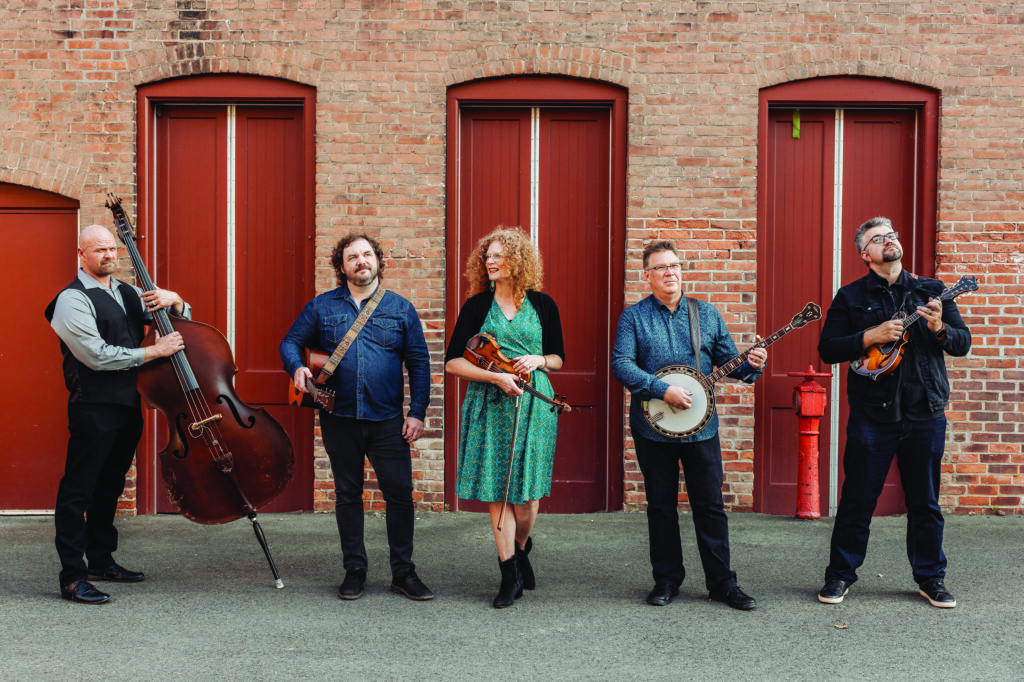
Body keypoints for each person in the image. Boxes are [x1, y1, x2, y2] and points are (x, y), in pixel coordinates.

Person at [816, 217, 971, 609]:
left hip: (926, 413)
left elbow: (961, 343)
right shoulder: (850, 296)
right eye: (878, 239)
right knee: (857, 500)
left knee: (925, 503)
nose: (889, 241)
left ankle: (931, 579)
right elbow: (829, 349)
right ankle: (839, 576)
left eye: (892, 235)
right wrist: (870, 335)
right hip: (873, 413)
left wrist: (938, 327)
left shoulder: (933, 291)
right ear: (864, 254)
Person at [611, 240, 766, 610]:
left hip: (702, 429)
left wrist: (753, 365)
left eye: (675, 265)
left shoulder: (706, 314)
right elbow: (621, 364)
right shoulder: (633, 318)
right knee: (660, 506)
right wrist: (663, 390)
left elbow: (732, 362)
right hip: (654, 427)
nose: (670, 273)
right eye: (661, 267)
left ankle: (722, 583)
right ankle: (666, 580)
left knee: (710, 505)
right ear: (647, 275)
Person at [280, 234, 433, 601]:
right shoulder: (321, 307)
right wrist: (297, 367)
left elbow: (420, 362)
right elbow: (289, 342)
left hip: (387, 421)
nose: (361, 261)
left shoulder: (400, 309)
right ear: (342, 265)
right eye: (352, 257)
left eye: (366, 254)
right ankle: (355, 570)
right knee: (348, 495)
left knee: (399, 496)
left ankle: (404, 572)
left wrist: (417, 412)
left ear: (377, 260)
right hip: (339, 418)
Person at [45, 224, 189, 605]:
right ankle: (73, 577)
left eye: (112, 249)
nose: (109, 255)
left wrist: (176, 301)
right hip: (91, 407)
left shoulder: (127, 292)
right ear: (81, 254)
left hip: (129, 404)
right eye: (99, 250)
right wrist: (152, 354)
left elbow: (173, 324)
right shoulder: (71, 300)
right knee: (79, 491)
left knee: (110, 485)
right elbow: (95, 354)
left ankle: (101, 562)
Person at [444, 227, 565, 609]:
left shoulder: (544, 305)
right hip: (489, 404)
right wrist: (495, 376)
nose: (491, 261)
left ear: (519, 260)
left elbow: (559, 357)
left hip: (534, 405)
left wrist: (539, 360)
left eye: (499, 255)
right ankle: (508, 573)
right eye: (487, 257)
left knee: (526, 498)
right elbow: (453, 362)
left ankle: (522, 548)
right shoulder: (477, 306)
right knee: (498, 490)